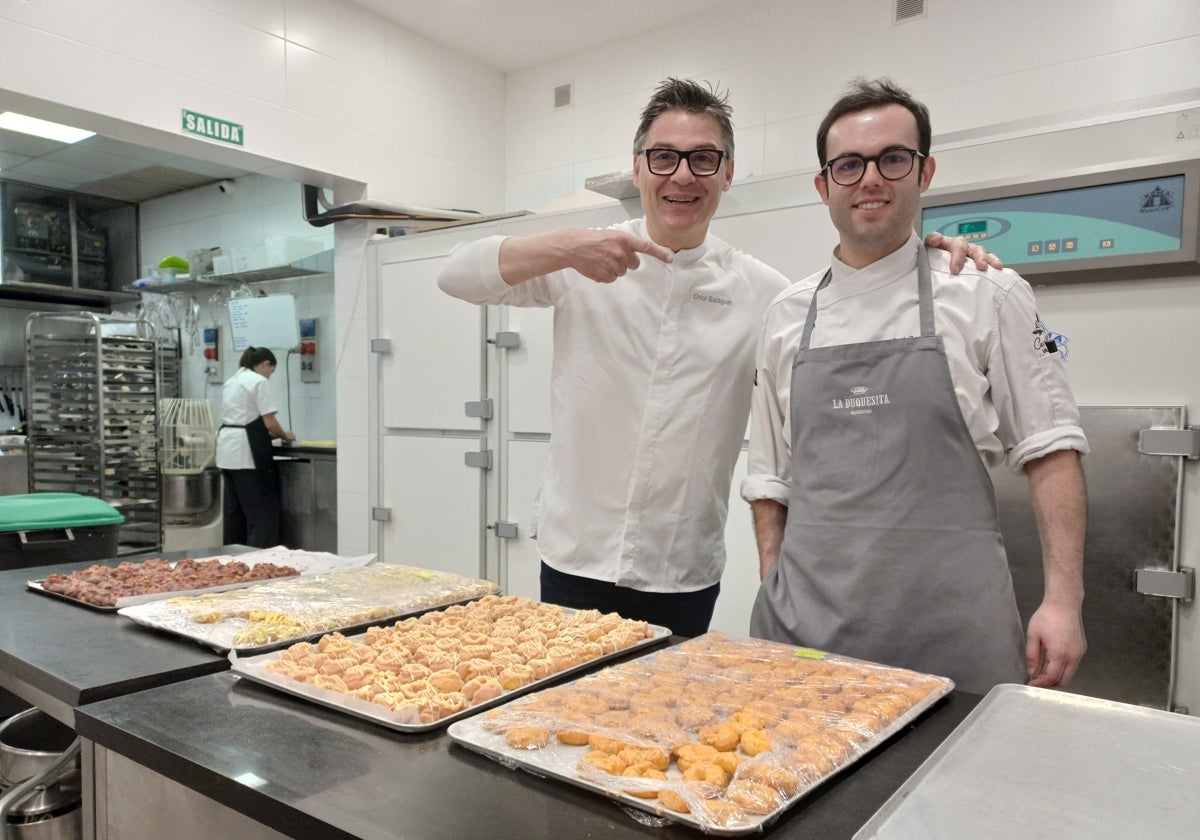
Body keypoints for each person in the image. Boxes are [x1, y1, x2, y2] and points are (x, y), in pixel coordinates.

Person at [438, 77, 993, 638]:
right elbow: (455, 273)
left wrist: (918, 261)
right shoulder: (583, 262)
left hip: (681, 571)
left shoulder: (758, 289)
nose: (683, 175)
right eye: (664, 157)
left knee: (665, 719)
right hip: (573, 556)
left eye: (703, 159)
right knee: (566, 717)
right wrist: (564, 244)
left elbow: (851, 308)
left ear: (727, 173)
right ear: (639, 170)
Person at [742, 77, 1089, 694]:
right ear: (824, 186)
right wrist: (773, 576)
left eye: (892, 159)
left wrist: (1064, 601)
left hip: (953, 631)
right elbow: (770, 476)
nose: (870, 179)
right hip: (807, 637)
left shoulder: (990, 292)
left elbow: (1052, 450)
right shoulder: (786, 315)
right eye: (848, 165)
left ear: (924, 172)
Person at [216, 346, 295, 547]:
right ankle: (259, 559)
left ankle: (232, 558)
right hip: (246, 452)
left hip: (227, 448)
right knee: (262, 511)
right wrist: (285, 436)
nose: (270, 376)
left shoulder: (232, 381)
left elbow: (242, 418)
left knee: (235, 511)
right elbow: (270, 422)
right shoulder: (258, 381)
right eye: (272, 371)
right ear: (266, 364)